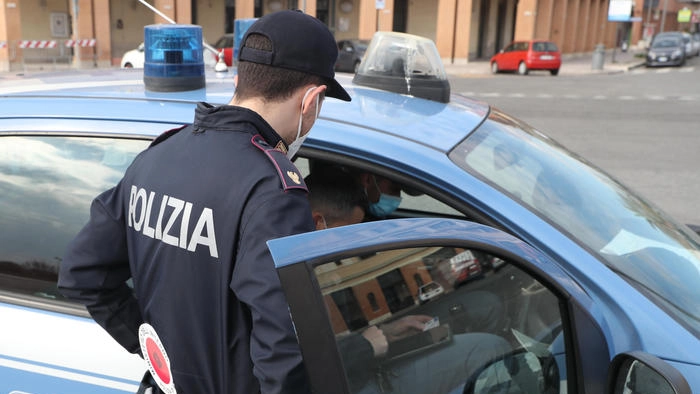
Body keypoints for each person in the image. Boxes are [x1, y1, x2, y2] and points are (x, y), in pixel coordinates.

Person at [57, 10, 350, 394]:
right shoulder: (272, 189)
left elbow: (82, 274)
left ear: (240, 77)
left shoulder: (159, 155)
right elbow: (283, 348)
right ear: (312, 99)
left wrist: (156, 353)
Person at [306, 167, 511, 394]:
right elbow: (302, 364)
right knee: (489, 349)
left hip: (363, 355)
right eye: (349, 232)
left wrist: (389, 330)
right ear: (318, 222)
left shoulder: (318, 255)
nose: (352, 242)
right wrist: (364, 347)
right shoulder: (290, 272)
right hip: (353, 377)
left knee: (484, 305)